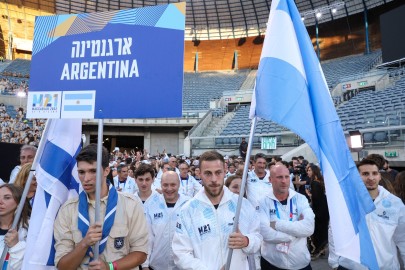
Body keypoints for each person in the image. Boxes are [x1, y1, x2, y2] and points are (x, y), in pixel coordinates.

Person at [54, 144, 149, 269]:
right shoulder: (67, 210)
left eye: (93, 171)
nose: (86, 178)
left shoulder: (130, 204)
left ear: (106, 171)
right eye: (81, 172)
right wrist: (84, 244)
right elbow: (62, 266)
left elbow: (141, 253)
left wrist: (109, 267)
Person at [172, 150, 262, 269]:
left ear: (225, 171)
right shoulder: (188, 210)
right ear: (199, 174)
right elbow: (181, 254)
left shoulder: (242, 205)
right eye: (208, 173)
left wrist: (246, 241)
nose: (214, 179)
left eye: (218, 172)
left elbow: (258, 238)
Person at [329, 159, 405, 270]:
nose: (371, 178)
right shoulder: (345, 202)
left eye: (374, 173)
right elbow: (334, 231)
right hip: (350, 266)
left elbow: (402, 238)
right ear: (357, 177)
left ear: (380, 176)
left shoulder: (395, 204)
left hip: (384, 266)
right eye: (365, 174)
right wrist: (334, 261)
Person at [259, 164, 315, 270]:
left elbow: (309, 228)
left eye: (287, 176)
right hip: (272, 263)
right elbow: (265, 233)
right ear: (270, 179)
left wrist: (276, 224)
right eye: (279, 177)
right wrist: (295, 234)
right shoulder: (263, 202)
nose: (284, 181)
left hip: (300, 263)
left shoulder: (301, 199)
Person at [142, 171, 190, 270]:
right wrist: (145, 265)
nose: (169, 189)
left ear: (179, 184)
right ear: (161, 185)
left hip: (184, 267)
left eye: (173, 185)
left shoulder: (189, 205)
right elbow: (147, 237)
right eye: (165, 185)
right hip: (156, 266)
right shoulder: (151, 204)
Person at [0, 184, 31, 270]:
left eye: (7, 197)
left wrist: (16, 246)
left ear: (19, 202)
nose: (0, 201)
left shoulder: (31, 228)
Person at [305, 164, 329, 259]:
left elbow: (316, 199)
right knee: (322, 230)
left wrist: (309, 195)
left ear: (314, 171)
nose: (308, 172)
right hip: (324, 210)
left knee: (316, 231)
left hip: (318, 211)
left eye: (310, 170)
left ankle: (316, 250)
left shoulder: (314, 183)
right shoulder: (321, 181)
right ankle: (321, 249)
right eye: (307, 170)